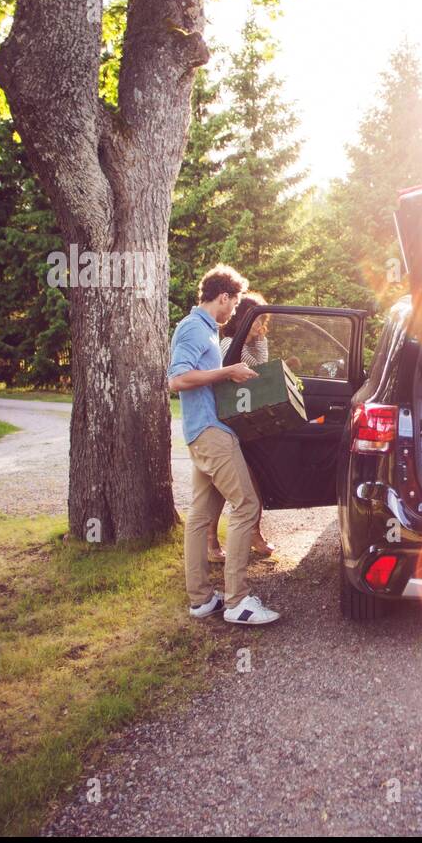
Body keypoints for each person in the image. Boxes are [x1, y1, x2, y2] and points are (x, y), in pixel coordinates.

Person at [167, 264, 280, 626]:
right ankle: (238, 601)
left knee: (200, 518)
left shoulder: (207, 331)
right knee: (247, 503)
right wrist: (227, 372)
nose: (234, 312)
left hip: (204, 431)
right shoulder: (192, 329)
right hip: (210, 434)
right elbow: (177, 379)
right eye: (233, 304)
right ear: (223, 297)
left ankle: (201, 600)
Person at [209, 292, 273, 561]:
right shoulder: (228, 345)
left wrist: (258, 334)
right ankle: (212, 542)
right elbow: (254, 373)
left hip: (246, 420)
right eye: (257, 320)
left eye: (263, 320)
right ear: (244, 319)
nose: (262, 326)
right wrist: (250, 334)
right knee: (222, 488)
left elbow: (263, 365)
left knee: (249, 479)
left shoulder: (251, 344)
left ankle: (253, 533)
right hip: (228, 422)